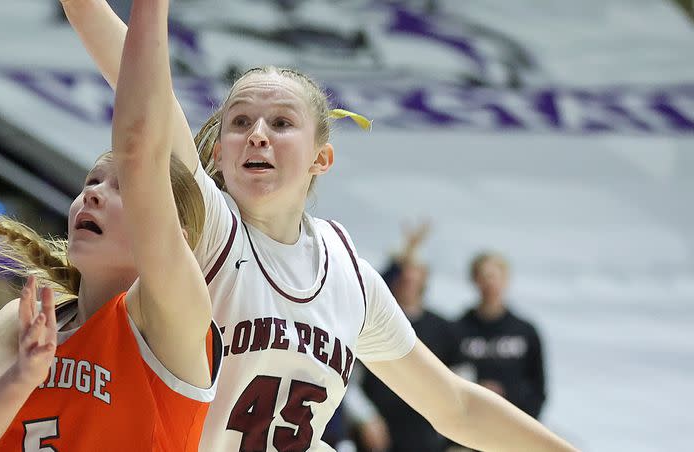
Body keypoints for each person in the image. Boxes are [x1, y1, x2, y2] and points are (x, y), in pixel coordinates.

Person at [60, 1, 576, 450]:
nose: (258, 134)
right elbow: (139, 90)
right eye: (240, 122)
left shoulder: (348, 273)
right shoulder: (208, 225)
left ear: (320, 159)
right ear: (218, 152)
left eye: (281, 123)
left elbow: (455, 407)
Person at [0, 1, 222, 448]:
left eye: (122, 188)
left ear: (175, 237)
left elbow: (140, 146)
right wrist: (22, 375)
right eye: (91, 181)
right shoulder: (22, 320)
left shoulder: (169, 319)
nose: (92, 193)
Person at [360, 221, 462, 452]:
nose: (408, 277)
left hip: (425, 431)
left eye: (414, 270)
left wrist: (452, 424)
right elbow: (352, 380)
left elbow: (459, 377)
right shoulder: (374, 322)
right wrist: (365, 417)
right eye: (403, 270)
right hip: (379, 429)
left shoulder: (444, 328)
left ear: (424, 277)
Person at [454, 252, 546, 419]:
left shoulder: (525, 331)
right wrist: (479, 389)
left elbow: (538, 388)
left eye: (495, 277)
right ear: (474, 280)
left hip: (515, 424)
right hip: (468, 425)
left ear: (506, 280)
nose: (490, 283)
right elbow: (448, 381)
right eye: (484, 277)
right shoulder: (457, 330)